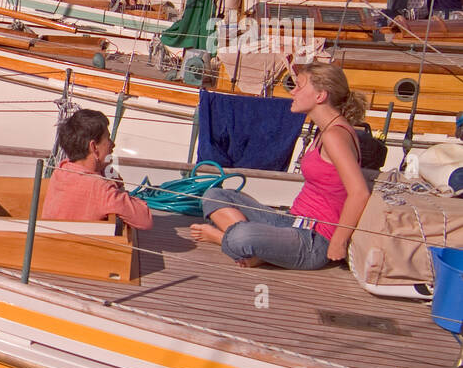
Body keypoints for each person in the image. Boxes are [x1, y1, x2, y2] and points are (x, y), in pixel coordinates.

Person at [190, 63, 371, 269]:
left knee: (242, 235)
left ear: (320, 96)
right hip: (293, 221)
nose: (293, 91)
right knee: (215, 195)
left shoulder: (335, 135)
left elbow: (359, 192)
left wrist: (339, 241)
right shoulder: (326, 130)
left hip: (314, 240)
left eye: (300, 86)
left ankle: (225, 239)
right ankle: (263, 250)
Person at [43, 109, 153, 229]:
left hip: (52, 244)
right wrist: (116, 185)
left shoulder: (61, 170)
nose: (113, 145)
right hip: (84, 246)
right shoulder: (101, 189)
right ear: (94, 147)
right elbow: (145, 219)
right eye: (108, 139)